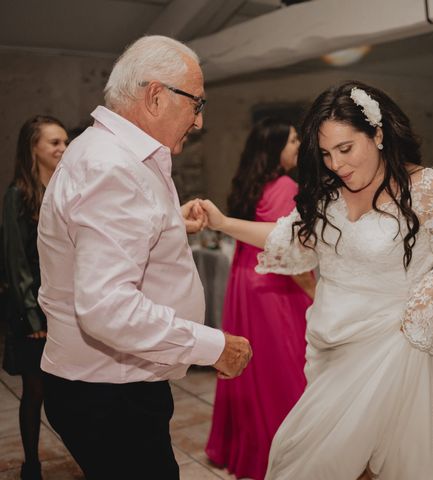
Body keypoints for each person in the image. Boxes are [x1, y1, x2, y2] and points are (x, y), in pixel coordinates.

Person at [200, 80, 433, 480]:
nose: (335, 164)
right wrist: (222, 222)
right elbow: (289, 239)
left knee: (362, 463)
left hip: (393, 349)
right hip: (329, 346)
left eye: (345, 149)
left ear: (378, 133)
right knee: (304, 454)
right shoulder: (328, 194)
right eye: (325, 153)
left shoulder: (428, 190)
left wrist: (428, 292)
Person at [36, 35, 252, 480]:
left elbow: (104, 235)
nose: (198, 120)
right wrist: (211, 346)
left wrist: (170, 223)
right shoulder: (114, 166)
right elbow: (107, 308)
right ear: (156, 96)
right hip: (108, 392)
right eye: (196, 103)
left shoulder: (105, 151)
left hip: (111, 382)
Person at [205, 118, 315, 479]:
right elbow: (289, 253)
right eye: (294, 140)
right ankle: (284, 455)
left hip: (244, 283)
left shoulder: (249, 184)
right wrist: (316, 294)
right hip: (275, 288)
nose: (299, 146)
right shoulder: (285, 185)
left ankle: (244, 448)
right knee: (286, 373)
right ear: (275, 147)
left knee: (252, 371)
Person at [2, 115, 68, 480]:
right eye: (54, 142)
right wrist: (33, 317)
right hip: (34, 314)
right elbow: (15, 263)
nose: (63, 148)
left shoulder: (65, 189)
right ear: (33, 149)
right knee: (35, 389)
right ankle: (31, 463)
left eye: (65, 142)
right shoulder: (17, 195)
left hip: (64, 307)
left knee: (69, 390)